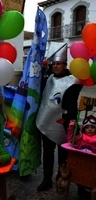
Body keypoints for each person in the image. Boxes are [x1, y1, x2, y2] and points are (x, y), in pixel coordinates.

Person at [35, 43, 79, 191]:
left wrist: (72, 123)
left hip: (63, 124)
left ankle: (61, 179)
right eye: (54, 64)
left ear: (65, 64)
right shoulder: (49, 79)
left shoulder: (72, 81)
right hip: (47, 122)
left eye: (58, 64)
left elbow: (72, 104)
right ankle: (46, 179)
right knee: (47, 153)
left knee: (62, 154)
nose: (55, 66)